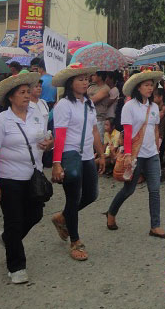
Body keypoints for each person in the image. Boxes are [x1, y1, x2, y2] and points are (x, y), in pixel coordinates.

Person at [0, 72, 52, 283]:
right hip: (9, 178)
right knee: (13, 221)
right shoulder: (0, 121)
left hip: (33, 175)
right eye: (21, 93)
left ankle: (7, 239)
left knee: (35, 215)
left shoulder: (35, 113)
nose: (26, 95)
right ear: (10, 97)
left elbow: (45, 136)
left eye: (27, 91)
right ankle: (16, 268)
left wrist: (48, 143)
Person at [50, 64, 106, 261]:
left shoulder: (88, 104)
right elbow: (60, 136)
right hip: (69, 155)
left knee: (91, 194)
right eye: (79, 79)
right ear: (70, 83)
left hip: (88, 155)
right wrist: (57, 163)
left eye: (85, 79)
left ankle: (63, 217)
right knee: (73, 198)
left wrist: (102, 154)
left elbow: (94, 131)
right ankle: (75, 240)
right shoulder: (64, 105)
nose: (84, 82)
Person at [106, 70, 165, 238]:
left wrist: (157, 149)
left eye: (151, 85)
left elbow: (155, 130)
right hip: (135, 155)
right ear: (138, 87)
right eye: (146, 85)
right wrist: (128, 156)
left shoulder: (153, 107)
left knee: (155, 190)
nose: (150, 88)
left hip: (152, 154)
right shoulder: (129, 106)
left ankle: (155, 226)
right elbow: (127, 132)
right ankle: (111, 212)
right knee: (128, 190)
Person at [88, 71, 115, 139]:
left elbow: (93, 100)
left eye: (94, 75)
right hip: (89, 117)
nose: (92, 77)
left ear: (100, 77)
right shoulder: (91, 87)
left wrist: (87, 98)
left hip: (99, 118)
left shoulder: (105, 88)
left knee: (98, 140)